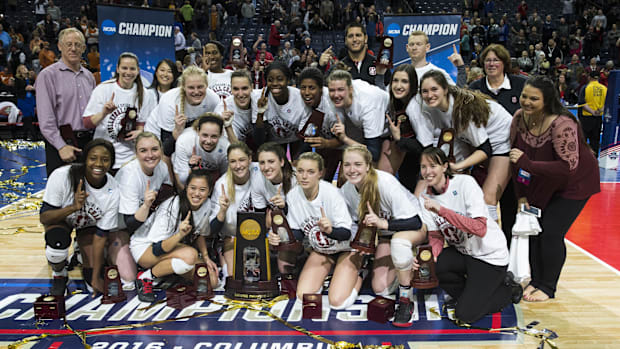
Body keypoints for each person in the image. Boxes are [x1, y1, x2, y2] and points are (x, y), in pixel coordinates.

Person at [509, 76, 600, 302]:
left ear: (547, 100)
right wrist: (521, 195)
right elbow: (514, 157)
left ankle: (548, 287)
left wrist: (527, 164)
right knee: (535, 231)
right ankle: (536, 280)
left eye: (534, 99)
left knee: (551, 233)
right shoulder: (519, 118)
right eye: (524, 96)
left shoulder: (563, 124)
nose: (526, 102)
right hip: (543, 182)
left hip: (574, 185)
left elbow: (567, 167)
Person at [418, 147, 522, 323]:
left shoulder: (465, 183)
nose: (427, 172)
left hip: (490, 257)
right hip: (464, 252)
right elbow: (436, 235)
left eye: (432, 165)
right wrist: (431, 255)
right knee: (436, 267)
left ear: (444, 166)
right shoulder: (425, 197)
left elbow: (479, 228)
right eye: (423, 167)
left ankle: (508, 290)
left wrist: (442, 210)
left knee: (465, 315)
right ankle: (473, 295)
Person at [339, 146, 425, 326]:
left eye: (357, 164)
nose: (352, 169)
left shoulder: (385, 182)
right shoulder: (347, 190)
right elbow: (355, 225)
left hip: (413, 228)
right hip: (386, 235)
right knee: (381, 289)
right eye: (347, 165)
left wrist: (383, 224)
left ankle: (405, 300)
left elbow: (415, 221)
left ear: (368, 166)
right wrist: (359, 246)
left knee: (399, 243)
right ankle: (403, 264)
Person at [417, 70, 513, 224]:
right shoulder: (431, 109)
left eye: (434, 89)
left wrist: (458, 166)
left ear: (445, 89)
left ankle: (493, 245)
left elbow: (485, 149)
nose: (429, 95)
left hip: (501, 141)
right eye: (425, 91)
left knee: (487, 200)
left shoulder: (461, 111)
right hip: (473, 141)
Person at [272, 152, 360, 309]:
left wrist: (329, 230)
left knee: (338, 303)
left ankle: (358, 275)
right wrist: (279, 236)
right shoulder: (292, 196)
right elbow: (297, 233)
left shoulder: (332, 194)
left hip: (347, 248)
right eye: (300, 171)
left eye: (310, 172)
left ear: (320, 173)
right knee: (303, 297)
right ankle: (332, 271)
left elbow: (346, 233)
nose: (304, 176)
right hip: (322, 250)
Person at [40, 139, 120, 297]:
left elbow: (101, 235)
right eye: (93, 158)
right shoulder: (62, 176)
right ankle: (60, 274)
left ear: (111, 163)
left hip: (88, 226)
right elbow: (45, 218)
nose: (98, 164)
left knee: (93, 284)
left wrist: (96, 276)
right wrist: (73, 207)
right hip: (62, 221)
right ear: (85, 160)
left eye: (105, 160)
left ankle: (79, 252)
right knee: (57, 244)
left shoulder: (113, 189)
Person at [468, 44, 528, 245]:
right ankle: (490, 252)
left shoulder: (521, 85)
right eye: (487, 60)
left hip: (513, 156)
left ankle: (510, 257)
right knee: (485, 205)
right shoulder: (475, 89)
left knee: (510, 208)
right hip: (485, 157)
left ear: (504, 63)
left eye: (496, 60)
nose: (491, 64)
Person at [130, 169, 218, 302]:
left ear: (209, 191)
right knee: (190, 255)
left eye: (202, 189)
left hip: (173, 248)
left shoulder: (206, 205)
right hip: (145, 248)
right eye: (193, 188)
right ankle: (145, 277)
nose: (196, 194)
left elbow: (200, 234)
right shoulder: (173, 205)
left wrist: (206, 258)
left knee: (211, 280)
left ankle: (170, 273)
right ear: (186, 187)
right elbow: (157, 248)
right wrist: (180, 235)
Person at [114, 132, 173, 291]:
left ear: (161, 150)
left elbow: (168, 193)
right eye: (143, 150)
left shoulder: (161, 166)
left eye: (154, 149)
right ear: (136, 153)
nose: (150, 155)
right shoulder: (130, 176)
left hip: (144, 220)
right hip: (119, 227)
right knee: (129, 278)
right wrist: (147, 206)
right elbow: (129, 223)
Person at [35, 28, 96, 176]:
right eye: (68, 44)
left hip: (88, 143)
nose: (73, 48)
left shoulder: (89, 77)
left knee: (85, 194)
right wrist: (61, 146)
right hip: (61, 145)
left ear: (83, 48)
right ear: (59, 46)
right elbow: (46, 119)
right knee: (61, 196)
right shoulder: (47, 76)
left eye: (77, 44)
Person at [82, 52, 156, 173]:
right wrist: (104, 113)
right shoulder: (103, 89)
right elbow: (87, 123)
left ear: (138, 70)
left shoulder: (145, 94)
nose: (128, 72)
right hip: (104, 156)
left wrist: (140, 132)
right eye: (124, 68)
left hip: (130, 158)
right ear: (117, 69)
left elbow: (141, 124)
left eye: (132, 68)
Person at [209, 142, 263, 276]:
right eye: (233, 161)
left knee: (256, 275)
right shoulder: (222, 185)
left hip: (260, 237)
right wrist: (222, 210)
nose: (238, 166)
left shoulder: (260, 171)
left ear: (250, 159)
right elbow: (212, 228)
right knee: (234, 277)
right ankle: (224, 261)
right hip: (232, 238)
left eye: (242, 160)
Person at [145, 65, 220, 157]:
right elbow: (166, 150)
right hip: (160, 135)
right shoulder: (169, 101)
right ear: (183, 87)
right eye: (191, 88)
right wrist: (177, 131)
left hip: (188, 132)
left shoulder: (213, 99)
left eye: (200, 87)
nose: (196, 92)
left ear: (207, 86)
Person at [326, 69, 389, 163]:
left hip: (390, 131)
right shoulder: (332, 96)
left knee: (377, 170)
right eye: (332, 90)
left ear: (351, 89)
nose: (335, 95)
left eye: (340, 90)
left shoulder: (367, 104)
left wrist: (344, 138)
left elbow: (373, 154)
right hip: (360, 125)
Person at [381, 64, 424, 192]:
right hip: (407, 157)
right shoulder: (395, 102)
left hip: (423, 161)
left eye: (404, 81)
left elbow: (424, 147)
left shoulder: (416, 107)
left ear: (413, 84)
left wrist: (399, 138)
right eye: (395, 80)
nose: (398, 86)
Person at [252, 62, 307, 158]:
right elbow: (259, 140)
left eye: (280, 79)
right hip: (273, 140)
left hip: (296, 139)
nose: (275, 83)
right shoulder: (258, 97)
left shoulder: (299, 97)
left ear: (288, 80)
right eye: (270, 80)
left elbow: (305, 136)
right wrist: (260, 113)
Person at [298, 67, 342, 180]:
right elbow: (306, 138)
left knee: (343, 180)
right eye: (303, 88)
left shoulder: (333, 109)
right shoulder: (300, 103)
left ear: (321, 89)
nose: (306, 92)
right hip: (324, 137)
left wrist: (327, 143)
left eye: (311, 88)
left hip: (348, 140)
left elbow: (344, 139)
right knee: (321, 178)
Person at [318, 23, 389, 86]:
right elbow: (320, 89)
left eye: (358, 35)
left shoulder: (379, 66)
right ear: (345, 40)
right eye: (350, 36)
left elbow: (389, 93)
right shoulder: (338, 68)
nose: (354, 39)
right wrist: (321, 67)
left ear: (365, 38)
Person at [172, 113, 229, 189]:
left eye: (214, 136)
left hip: (212, 174)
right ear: (198, 131)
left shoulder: (226, 148)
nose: (208, 141)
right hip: (187, 171)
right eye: (205, 135)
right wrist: (192, 169)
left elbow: (226, 178)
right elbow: (182, 180)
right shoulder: (184, 141)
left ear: (221, 134)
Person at [213, 70, 254, 145]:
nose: (241, 94)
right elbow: (234, 149)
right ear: (231, 89)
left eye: (244, 88)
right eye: (236, 89)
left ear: (252, 88)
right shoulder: (223, 110)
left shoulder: (260, 99)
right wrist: (228, 126)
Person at [578, 70, 607, 155]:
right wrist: (599, 111)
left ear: (589, 77)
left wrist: (592, 112)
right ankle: (594, 159)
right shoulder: (604, 88)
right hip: (598, 118)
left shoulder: (585, 87)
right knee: (595, 140)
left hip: (586, 117)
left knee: (583, 140)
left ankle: (583, 159)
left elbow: (582, 103)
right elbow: (607, 103)